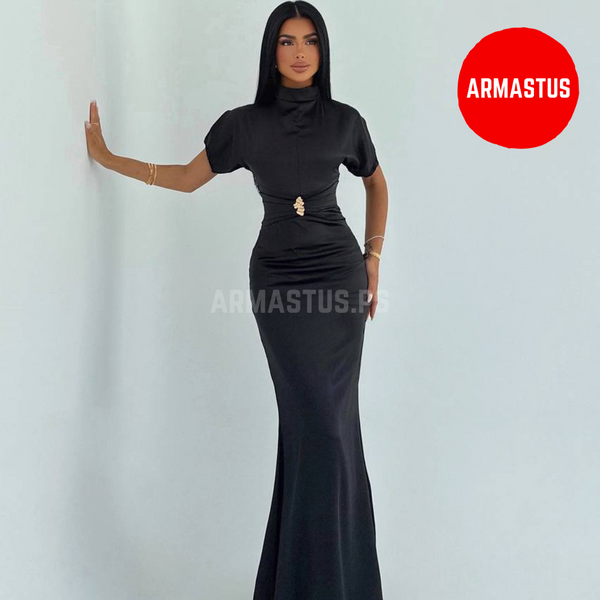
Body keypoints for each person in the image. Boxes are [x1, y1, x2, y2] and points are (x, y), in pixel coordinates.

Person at [84, 2, 389, 598]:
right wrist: (109, 157)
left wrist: (372, 258)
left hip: (338, 281)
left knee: (334, 429)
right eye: (286, 41)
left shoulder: (346, 121)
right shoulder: (243, 125)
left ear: (323, 50)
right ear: (271, 52)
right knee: (313, 427)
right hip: (278, 283)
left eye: (310, 41)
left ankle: (335, 583)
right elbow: (186, 178)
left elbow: (376, 182)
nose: (299, 52)